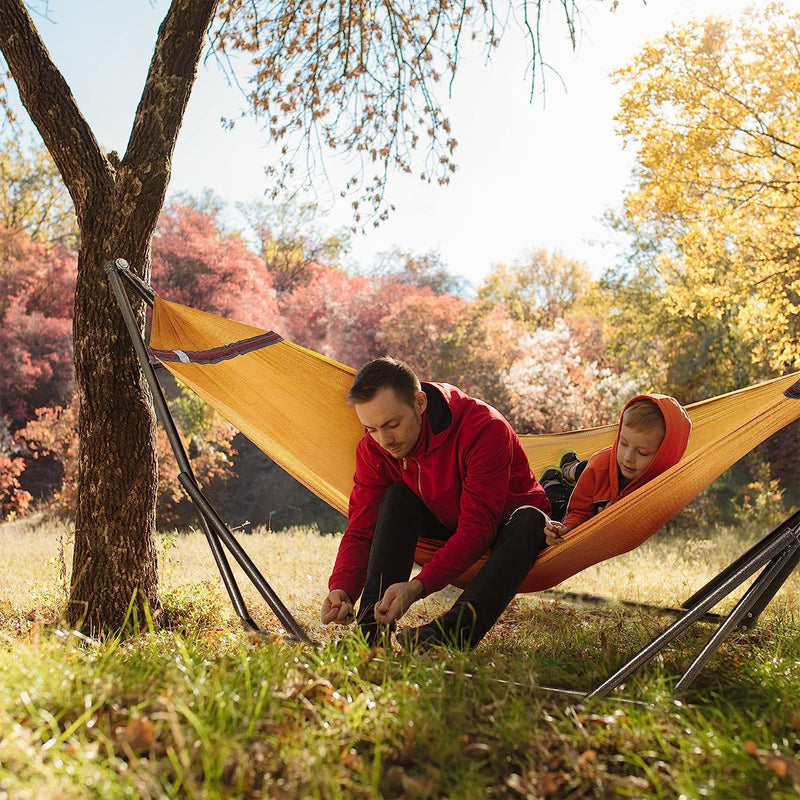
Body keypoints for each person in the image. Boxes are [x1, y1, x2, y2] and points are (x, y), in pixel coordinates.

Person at [319, 356, 552, 649]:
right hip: (444, 523)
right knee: (396, 498)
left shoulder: (484, 428)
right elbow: (362, 527)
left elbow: (479, 527)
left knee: (530, 518)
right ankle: (370, 634)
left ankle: (451, 634)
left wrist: (418, 587)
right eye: (372, 429)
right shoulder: (373, 449)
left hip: (510, 528)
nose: (385, 440)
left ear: (419, 403)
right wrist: (342, 588)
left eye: (392, 424)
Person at [544, 395, 691, 543]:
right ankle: (555, 477)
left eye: (642, 452)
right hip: (580, 492)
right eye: (624, 443)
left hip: (596, 490)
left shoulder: (662, 486)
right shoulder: (600, 465)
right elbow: (579, 511)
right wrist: (566, 529)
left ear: (663, 456)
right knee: (557, 499)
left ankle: (570, 468)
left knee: (587, 473)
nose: (628, 457)